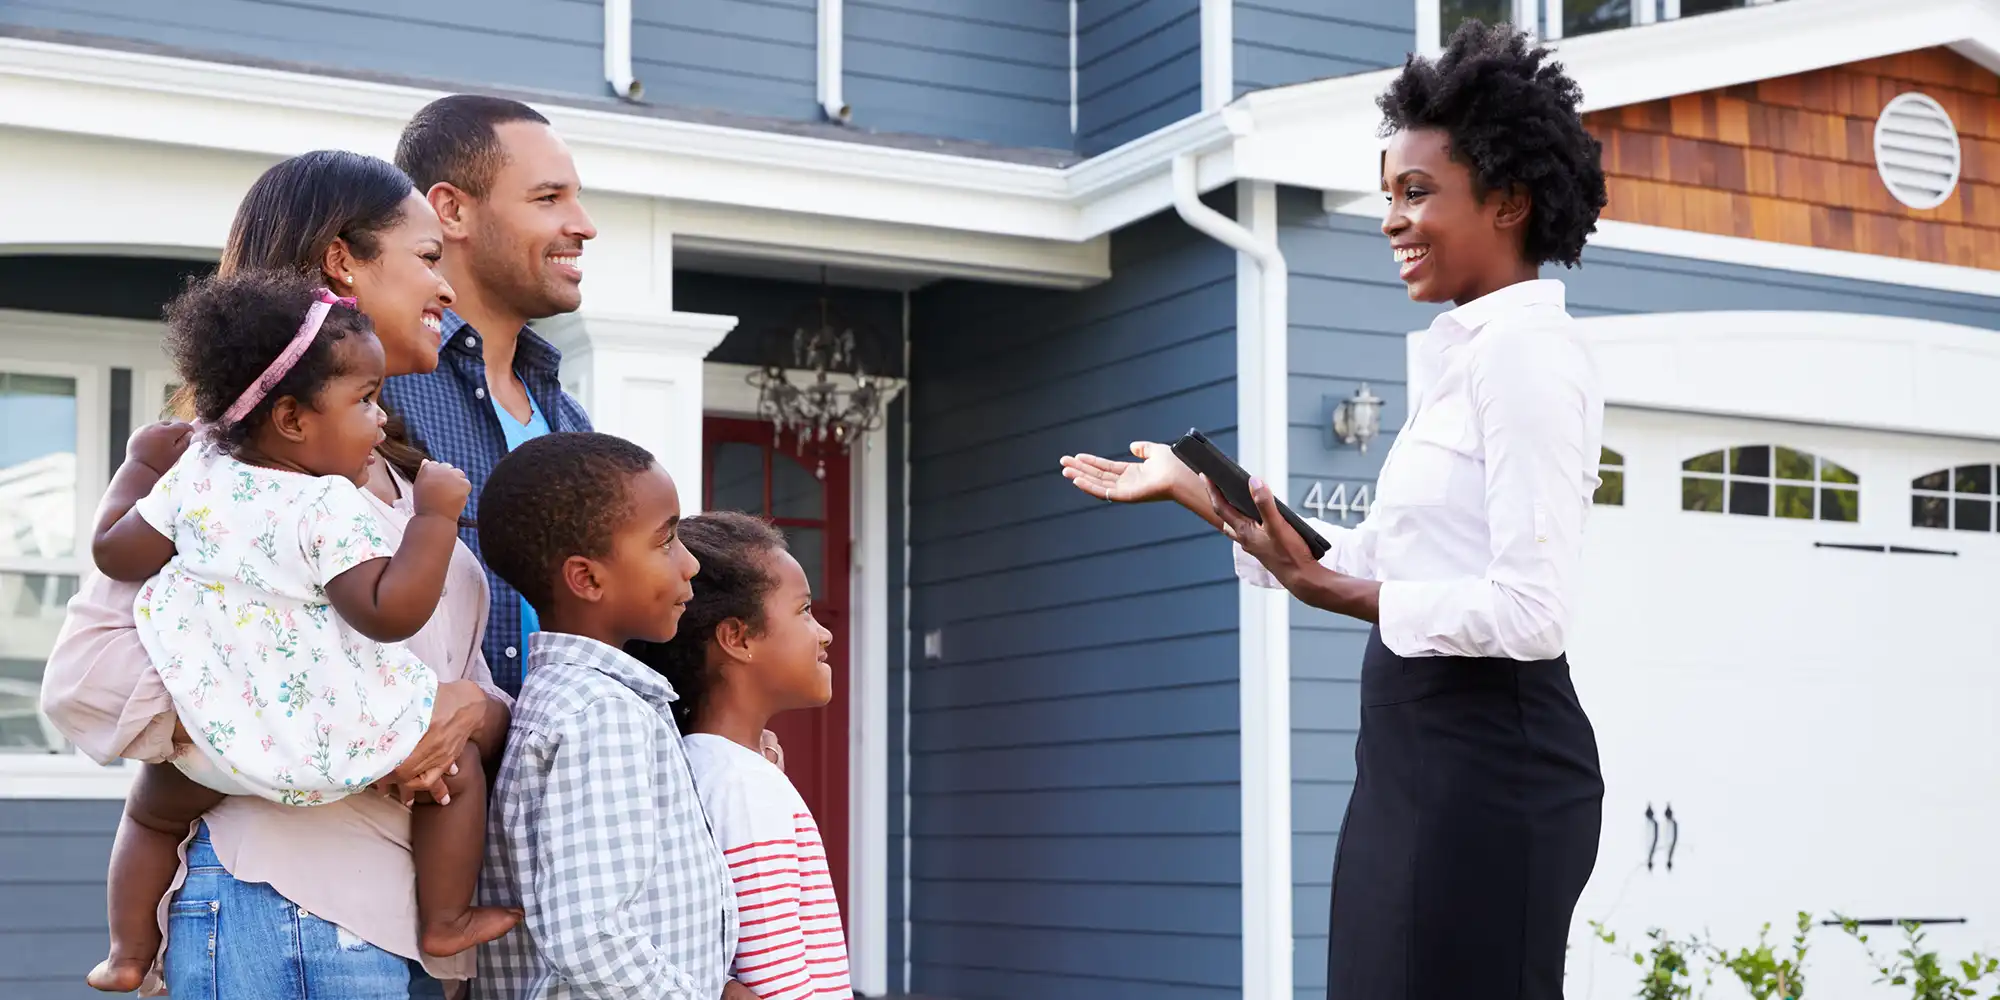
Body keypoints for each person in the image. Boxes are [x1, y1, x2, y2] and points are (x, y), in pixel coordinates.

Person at [1059, 21, 1608, 1000]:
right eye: (1386, 195)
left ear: (1509, 201)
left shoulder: (1525, 355)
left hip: (1489, 763)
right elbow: (1378, 558)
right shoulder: (1458, 361)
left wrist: (1331, 590)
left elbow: (1530, 610)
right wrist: (1205, 497)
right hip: (1409, 754)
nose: (1390, 218)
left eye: (1416, 192)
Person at [40, 149, 512, 1000]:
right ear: (343, 261)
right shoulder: (215, 475)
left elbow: (457, 687)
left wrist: (469, 713)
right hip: (279, 908)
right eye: (429, 258)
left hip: (394, 929)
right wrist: (321, 732)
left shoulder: (401, 484)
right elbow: (84, 683)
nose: (448, 290)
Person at [472, 432, 759, 1000]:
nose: (690, 563)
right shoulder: (602, 714)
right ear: (588, 579)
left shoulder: (575, 700)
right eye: (666, 542)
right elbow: (590, 935)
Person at [382, 94, 597, 697]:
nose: (583, 224)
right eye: (549, 198)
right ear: (450, 211)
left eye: (576, 197)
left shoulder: (571, 422)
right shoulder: (374, 392)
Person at [627, 513, 853, 1000]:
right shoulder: (745, 787)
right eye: (804, 610)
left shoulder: (696, 767)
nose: (825, 633)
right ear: (739, 638)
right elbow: (773, 983)